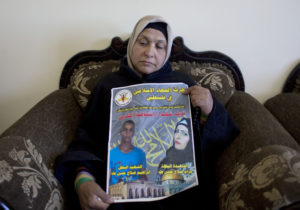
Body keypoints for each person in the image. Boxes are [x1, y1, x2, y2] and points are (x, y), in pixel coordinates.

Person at [55, 15, 239, 210]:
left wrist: (208, 109)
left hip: (177, 191)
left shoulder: (182, 84)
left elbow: (206, 145)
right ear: (132, 45)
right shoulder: (108, 85)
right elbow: (88, 139)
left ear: (167, 52)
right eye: (143, 42)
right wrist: (83, 181)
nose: (150, 52)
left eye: (159, 46)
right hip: (121, 192)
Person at [156, 118, 195, 186]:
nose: (178, 137)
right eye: (177, 131)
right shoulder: (164, 162)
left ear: (191, 139)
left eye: (184, 134)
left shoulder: (194, 164)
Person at [109, 120, 147, 185]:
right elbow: (108, 179)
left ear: (133, 133)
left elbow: (143, 176)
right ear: (120, 131)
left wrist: (142, 182)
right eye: (125, 130)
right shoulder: (111, 154)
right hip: (115, 192)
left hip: (134, 191)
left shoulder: (140, 154)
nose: (128, 133)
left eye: (130, 130)